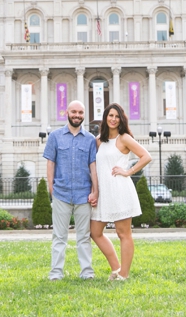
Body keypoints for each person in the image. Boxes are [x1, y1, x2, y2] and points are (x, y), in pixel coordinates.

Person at [90, 103, 152, 281]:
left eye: (116, 116)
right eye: (110, 116)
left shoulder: (124, 138)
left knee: (123, 233)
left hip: (120, 189)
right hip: (103, 192)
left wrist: (128, 171)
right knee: (95, 231)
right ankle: (116, 268)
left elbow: (146, 156)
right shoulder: (99, 141)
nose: (113, 119)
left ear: (121, 119)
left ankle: (123, 274)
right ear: (105, 118)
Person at [43, 100, 98, 281]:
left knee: (84, 237)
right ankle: (56, 273)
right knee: (59, 236)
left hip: (83, 194)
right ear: (67, 112)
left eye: (80, 113)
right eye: (74, 112)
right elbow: (50, 163)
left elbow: (93, 166)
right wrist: (51, 188)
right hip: (61, 193)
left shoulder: (90, 139)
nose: (77, 115)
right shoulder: (55, 137)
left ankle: (87, 273)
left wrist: (94, 190)